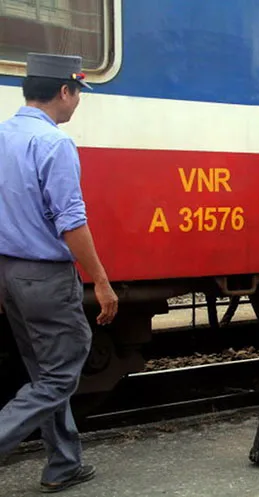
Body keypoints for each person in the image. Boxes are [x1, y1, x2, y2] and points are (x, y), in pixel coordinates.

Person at [0, 53, 118, 493]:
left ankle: (64, 463)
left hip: (10, 274)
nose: (77, 104)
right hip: (46, 279)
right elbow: (72, 222)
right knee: (58, 376)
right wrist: (101, 281)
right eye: (78, 94)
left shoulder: (3, 135)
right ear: (64, 91)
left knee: (42, 373)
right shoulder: (54, 144)